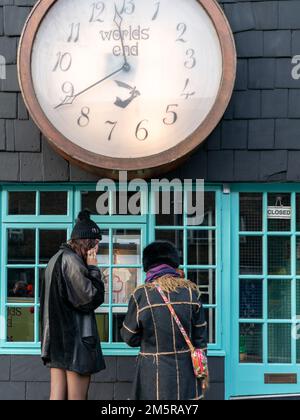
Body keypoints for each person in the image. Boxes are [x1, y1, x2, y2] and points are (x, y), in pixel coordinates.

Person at [121, 241, 208, 401]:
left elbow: (129, 337)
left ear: (148, 266)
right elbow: (200, 340)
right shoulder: (191, 291)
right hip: (186, 374)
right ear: (173, 264)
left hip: (151, 374)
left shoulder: (141, 294)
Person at [40, 210, 106, 400]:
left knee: (57, 396)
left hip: (57, 341)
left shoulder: (56, 258)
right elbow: (90, 299)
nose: (98, 247)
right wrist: (93, 268)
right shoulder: (72, 261)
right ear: (88, 243)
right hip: (75, 342)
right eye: (97, 243)